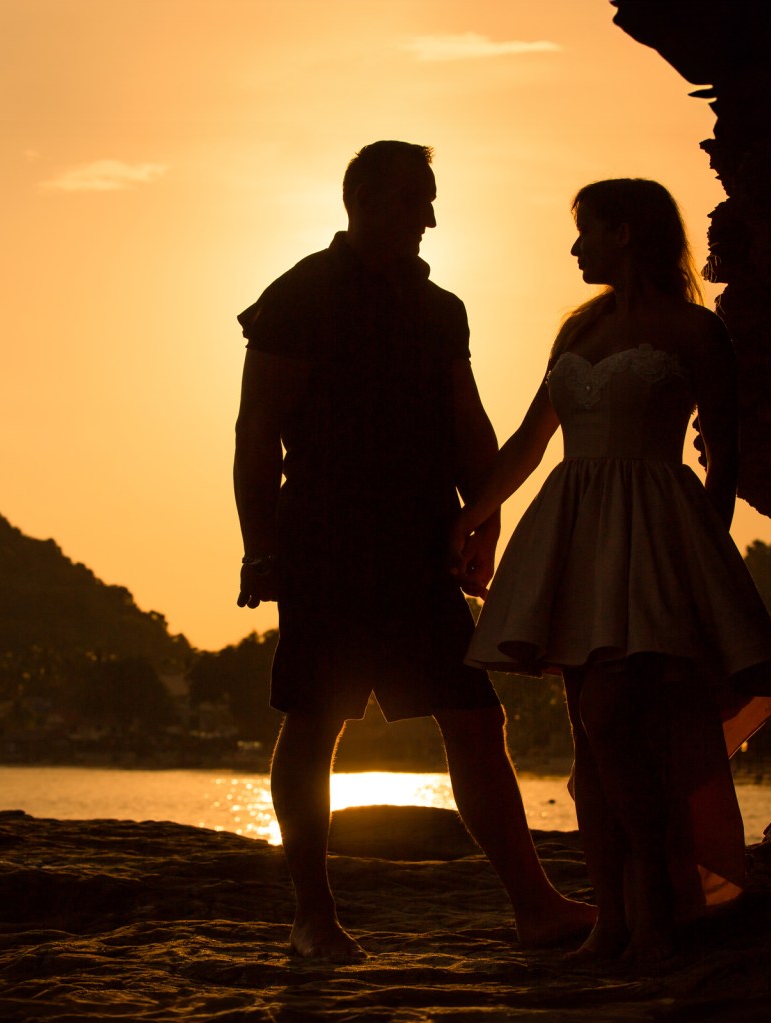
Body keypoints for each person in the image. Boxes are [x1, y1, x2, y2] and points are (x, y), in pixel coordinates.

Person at [233, 141, 595, 961]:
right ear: (361, 199)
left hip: (420, 537)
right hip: (325, 539)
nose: (429, 217)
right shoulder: (297, 297)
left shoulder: (442, 308)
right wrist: (260, 551)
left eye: (431, 200)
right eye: (412, 200)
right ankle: (313, 915)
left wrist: (484, 518)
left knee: (474, 716)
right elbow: (256, 436)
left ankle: (535, 904)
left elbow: (467, 420)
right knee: (314, 717)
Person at [449, 178, 771, 967]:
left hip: (657, 538)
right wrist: (468, 516)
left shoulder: (696, 333)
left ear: (626, 234)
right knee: (591, 743)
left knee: (617, 725)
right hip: (573, 536)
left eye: (587, 232)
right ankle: (617, 922)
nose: (576, 248)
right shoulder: (580, 327)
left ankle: (656, 911)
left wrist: (695, 559)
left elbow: (725, 457)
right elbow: (533, 440)